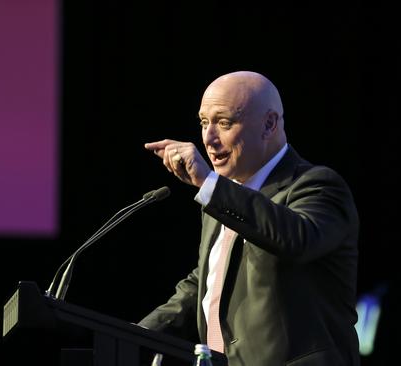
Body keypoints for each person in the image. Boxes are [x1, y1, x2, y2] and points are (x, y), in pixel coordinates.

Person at [139, 71, 360, 365]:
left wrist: (209, 185)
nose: (209, 138)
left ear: (269, 124)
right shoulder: (225, 196)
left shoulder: (317, 185)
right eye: (204, 123)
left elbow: (296, 239)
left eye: (224, 123)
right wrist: (137, 335)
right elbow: (207, 280)